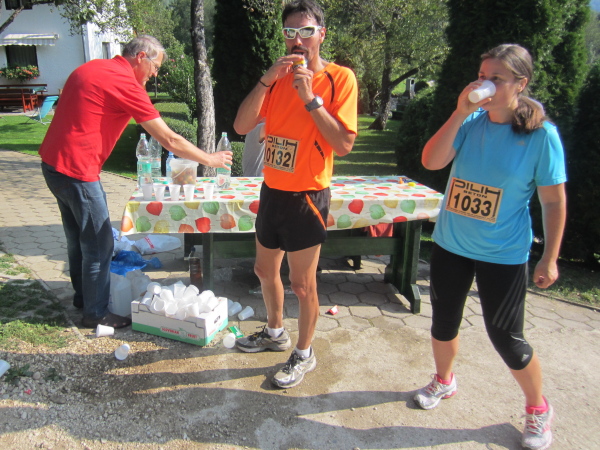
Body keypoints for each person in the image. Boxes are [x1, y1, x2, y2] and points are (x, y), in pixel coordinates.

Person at [415, 44, 566, 450]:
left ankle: (538, 408)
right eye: (482, 76)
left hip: (503, 254)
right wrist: (459, 112)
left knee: (507, 338)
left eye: (496, 78)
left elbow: (553, 202)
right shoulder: (470, 122)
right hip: (451, 244)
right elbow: (431, 161)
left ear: (521, 83)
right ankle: (444, 380)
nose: (484, 84)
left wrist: (550, 258)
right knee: (443, 323)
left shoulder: (541, 137)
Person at [39, 35, 232, 329]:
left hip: (53, 164)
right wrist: (210, 159)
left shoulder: (92, 67)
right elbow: (169, 139)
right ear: (141, 56)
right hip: (78, 171)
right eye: (155, 67)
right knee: (99, 243)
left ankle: (84, 297)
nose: (155, 74)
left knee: (77, 237)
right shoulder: (124, 83)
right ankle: (95, 313)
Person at [233, 0, 358, 388]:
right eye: (290, 31)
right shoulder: (277, 79)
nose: (298, 40)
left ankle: (304, 353)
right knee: (264, 270)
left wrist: (310, 98)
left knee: (303, 285)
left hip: (307, 196)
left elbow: (343, 144)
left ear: (321, 34)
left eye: (306, 31)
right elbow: (241, 126)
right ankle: (275, 333)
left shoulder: (339, 78)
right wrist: (266, 80)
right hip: (273, 190)